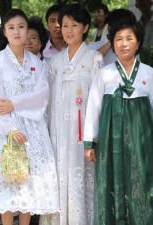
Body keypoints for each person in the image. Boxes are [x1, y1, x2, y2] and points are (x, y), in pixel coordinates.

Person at [0, 9, 59, 225]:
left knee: (28, 183)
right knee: (8, 182)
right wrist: (11, 128)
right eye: (11, 28)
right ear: (5, 33)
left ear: (28, 30)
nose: (17, 31)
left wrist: (15, 103)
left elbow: (42, 93)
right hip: (3, 130)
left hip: (32, 128)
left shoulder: (36, 61)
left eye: (21, 27)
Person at [84, 10, 153, 225]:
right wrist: (90, 142)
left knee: (142, 182)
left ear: (138, 42)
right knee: (111, 183)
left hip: (142, 141)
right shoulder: (105, 73)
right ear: (112, 44)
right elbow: (93, 107)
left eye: (129, 39)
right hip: (110, 141)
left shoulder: (149, 73)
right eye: (119, 39)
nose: (124, 44)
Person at [44, 4, 104, 225]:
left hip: (83, 133)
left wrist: (94, 138)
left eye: (74, 25)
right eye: (65, 25)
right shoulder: (55, 62)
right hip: (58, 130)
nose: (68, 30)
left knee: (83, 176)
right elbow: (48, 102)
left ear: (86, 27)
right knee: (60, 175)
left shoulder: (94, 59)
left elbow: (99, 101)